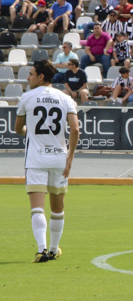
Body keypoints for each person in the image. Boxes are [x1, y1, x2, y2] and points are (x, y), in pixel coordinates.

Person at [15, 60, 79, 263]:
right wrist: (70, 158)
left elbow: (18, 128)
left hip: (36, 158)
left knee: (37, 208)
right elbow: (75, 129)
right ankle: (53, 250)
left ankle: (41, 249)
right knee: (57, 208)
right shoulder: (65, 98)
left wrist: (28, 132)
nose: (28, 77)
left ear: (41, 76)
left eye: (31, 73)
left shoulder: (26, 97)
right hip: (59, 158)